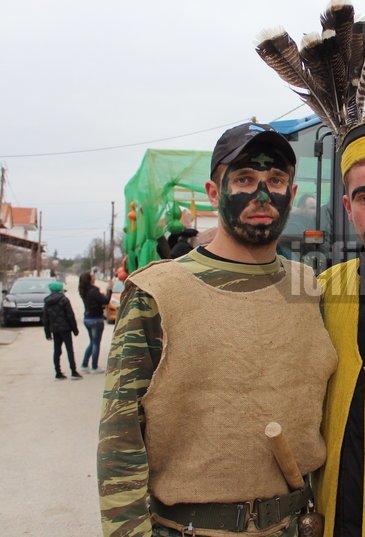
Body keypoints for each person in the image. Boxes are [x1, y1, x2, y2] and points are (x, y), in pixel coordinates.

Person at [97, 122, 337, 537]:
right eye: (244, 178)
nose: (262, 195)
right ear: (213, 192)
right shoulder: (158, 293)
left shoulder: (308, 288)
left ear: (292, 195)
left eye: (276, 180)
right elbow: (120, 441)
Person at [42, 280, 82, 380]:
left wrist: (47, 333)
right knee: (69, 350)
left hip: (55, 330)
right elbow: (70, 315)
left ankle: (58, 372)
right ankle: (73, 371)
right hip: (65, 329)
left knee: (57, 351)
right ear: (60, 289)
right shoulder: (64, 300)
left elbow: (45, 319)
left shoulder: (47, 301)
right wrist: (75, 330)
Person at [78, 271, 112, 373]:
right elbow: (105, 301)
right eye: (92, 277)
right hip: (96, 319)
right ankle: (94, 367)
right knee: (96, 343)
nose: (94, 277)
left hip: (87, 319)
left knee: (92, 342)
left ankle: (84, 365)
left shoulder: (83, 290)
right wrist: (109, 290)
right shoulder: (93, 291)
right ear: (89, 279)